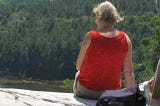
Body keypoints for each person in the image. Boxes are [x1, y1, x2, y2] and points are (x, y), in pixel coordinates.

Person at [73, 1, 136, 99]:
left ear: (99, 17)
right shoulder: (125, 39)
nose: (95, 20)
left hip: (86, 91)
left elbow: (78, 66)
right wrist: (132, 98)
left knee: (78, 74)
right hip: (110, 94)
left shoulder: (90, 36)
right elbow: (129, 72)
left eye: (96, 17)